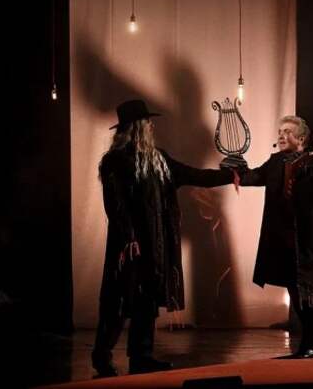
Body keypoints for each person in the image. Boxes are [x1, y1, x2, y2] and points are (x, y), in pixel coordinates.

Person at [92, 100, 237, 376]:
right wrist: (129, 237)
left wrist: (230, 175)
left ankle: (141, 356)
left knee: (146, 299)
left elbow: (194, 175)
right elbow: (115, 204)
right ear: (136, 127)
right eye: (147, 122)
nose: (151, 126)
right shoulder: (115, 161)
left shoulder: (159, 159)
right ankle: (102, 356)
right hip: (129, 243)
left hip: (154, 243)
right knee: (119, 300)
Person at [240, 115, 313, 358]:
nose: (281, 135)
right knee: (295, 291)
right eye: (280, 131)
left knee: (312, 291)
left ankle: (312, 344)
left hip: (311, 238)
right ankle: (306, 344)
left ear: (301, 138)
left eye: (287, 131)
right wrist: (234, 170)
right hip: (284, 239)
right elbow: (253, 177)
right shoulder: (276, 162)